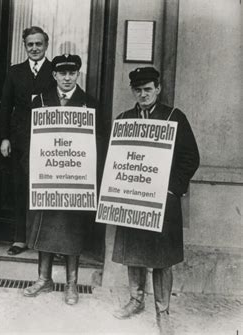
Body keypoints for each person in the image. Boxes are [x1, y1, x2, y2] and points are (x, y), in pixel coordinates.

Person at [111, 67, 199, 333]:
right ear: (133, 91)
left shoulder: (175, 117)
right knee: (134, 251)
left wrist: (173, 189)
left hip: (163, 200)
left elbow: (190, 158)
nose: (143, 94)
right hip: (132, 199)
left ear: (158, 88)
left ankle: (163, 312)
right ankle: (136, 300)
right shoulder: (124, 119)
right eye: (138, 90)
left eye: (148, 89)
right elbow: (117, 159)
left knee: (162, 258)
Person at [23, 54, 99, 305]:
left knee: (71, 230)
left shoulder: (89, 104)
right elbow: (27, 138)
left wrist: (87, 173)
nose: (67, 78)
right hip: (46, 177)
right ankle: (44, 279)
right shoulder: (40, 102)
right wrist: (31, 168)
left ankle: (71, 283)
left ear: (78, 74)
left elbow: (98, 144)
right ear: (54, 74)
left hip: (74, 180)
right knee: (45, 225)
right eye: (62, 73)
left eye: (72, 73)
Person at [0, 26, 55, 255]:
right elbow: (5, 106)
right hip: (20, 141)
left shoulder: (55, 71)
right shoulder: (15, 71)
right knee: (20, 188)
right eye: (30, 44)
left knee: (47, 190)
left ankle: (48, 240)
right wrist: (5, 137)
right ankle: (19, 239)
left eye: (38, 44)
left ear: (46, 45)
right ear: (25, 46)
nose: (34, 48)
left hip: (47, 142)